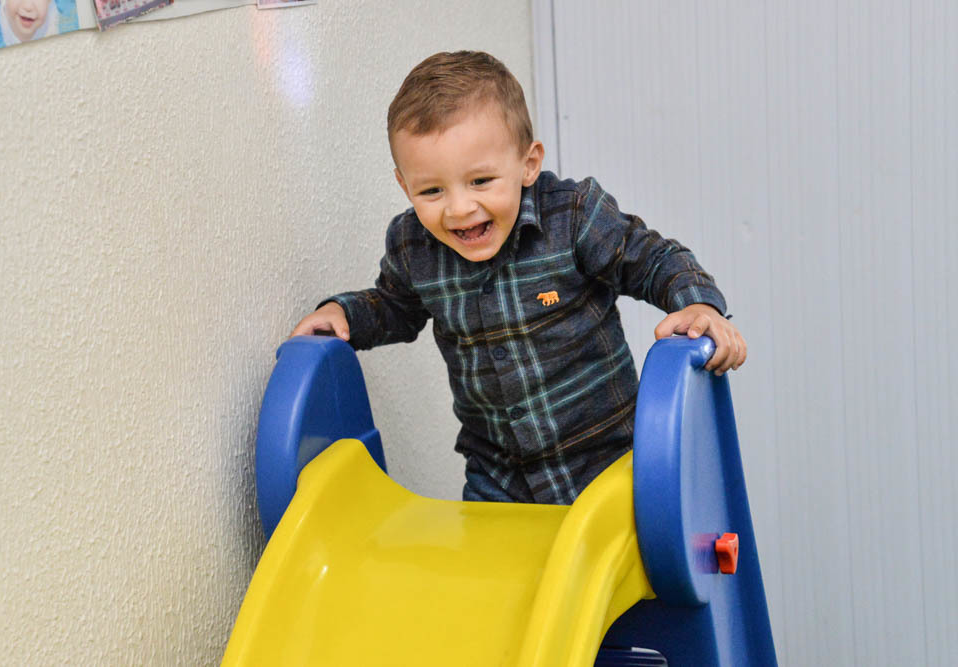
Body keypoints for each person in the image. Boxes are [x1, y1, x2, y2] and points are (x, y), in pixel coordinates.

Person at [290, 51, 747, 505]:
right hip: (499, 479)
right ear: (404, 185)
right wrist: (343, 314)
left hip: (608, 464)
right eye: (431, 190)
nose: (459, 208)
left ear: (528, 164)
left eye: (480, 181)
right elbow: (394, 307)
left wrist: (698, 305)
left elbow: (654, 259)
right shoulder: (413, 246)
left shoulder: (572, 216)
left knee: (623, 554)